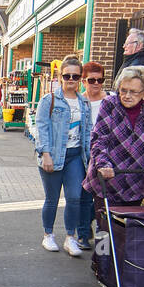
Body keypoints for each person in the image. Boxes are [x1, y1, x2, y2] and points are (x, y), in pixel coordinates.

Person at [83, 64, 144, 208]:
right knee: (108, 223)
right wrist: (103, 163)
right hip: (107, 178)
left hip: (136, 179)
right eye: (123, 90)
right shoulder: (110, 104)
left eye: (133, 92)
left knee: (130, 225)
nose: (127, 96)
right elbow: (99, 138)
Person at [34, 54, 92, 256]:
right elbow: (41, 128)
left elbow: (87, 132)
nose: (71, 80)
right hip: (54, 154)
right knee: (52, 198)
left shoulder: (84, 103)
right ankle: (48, 235)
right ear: (60, 76)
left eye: (75, 77)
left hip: (76, 156)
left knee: (74, 197)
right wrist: (46, 153)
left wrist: (90, 157)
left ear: (80, 78)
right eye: (67, 76)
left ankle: (70, 237)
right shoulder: (48, 100)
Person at [77, 61, 106, 248]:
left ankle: (103, 237)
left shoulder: (110, 100)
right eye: (92, 80)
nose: (96, 83)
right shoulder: (78, 100)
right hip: (82, 153)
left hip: (103, 154)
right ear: (83, 81)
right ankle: (84, 234)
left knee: (102, 197)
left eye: (100, 80)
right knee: (84, 195)